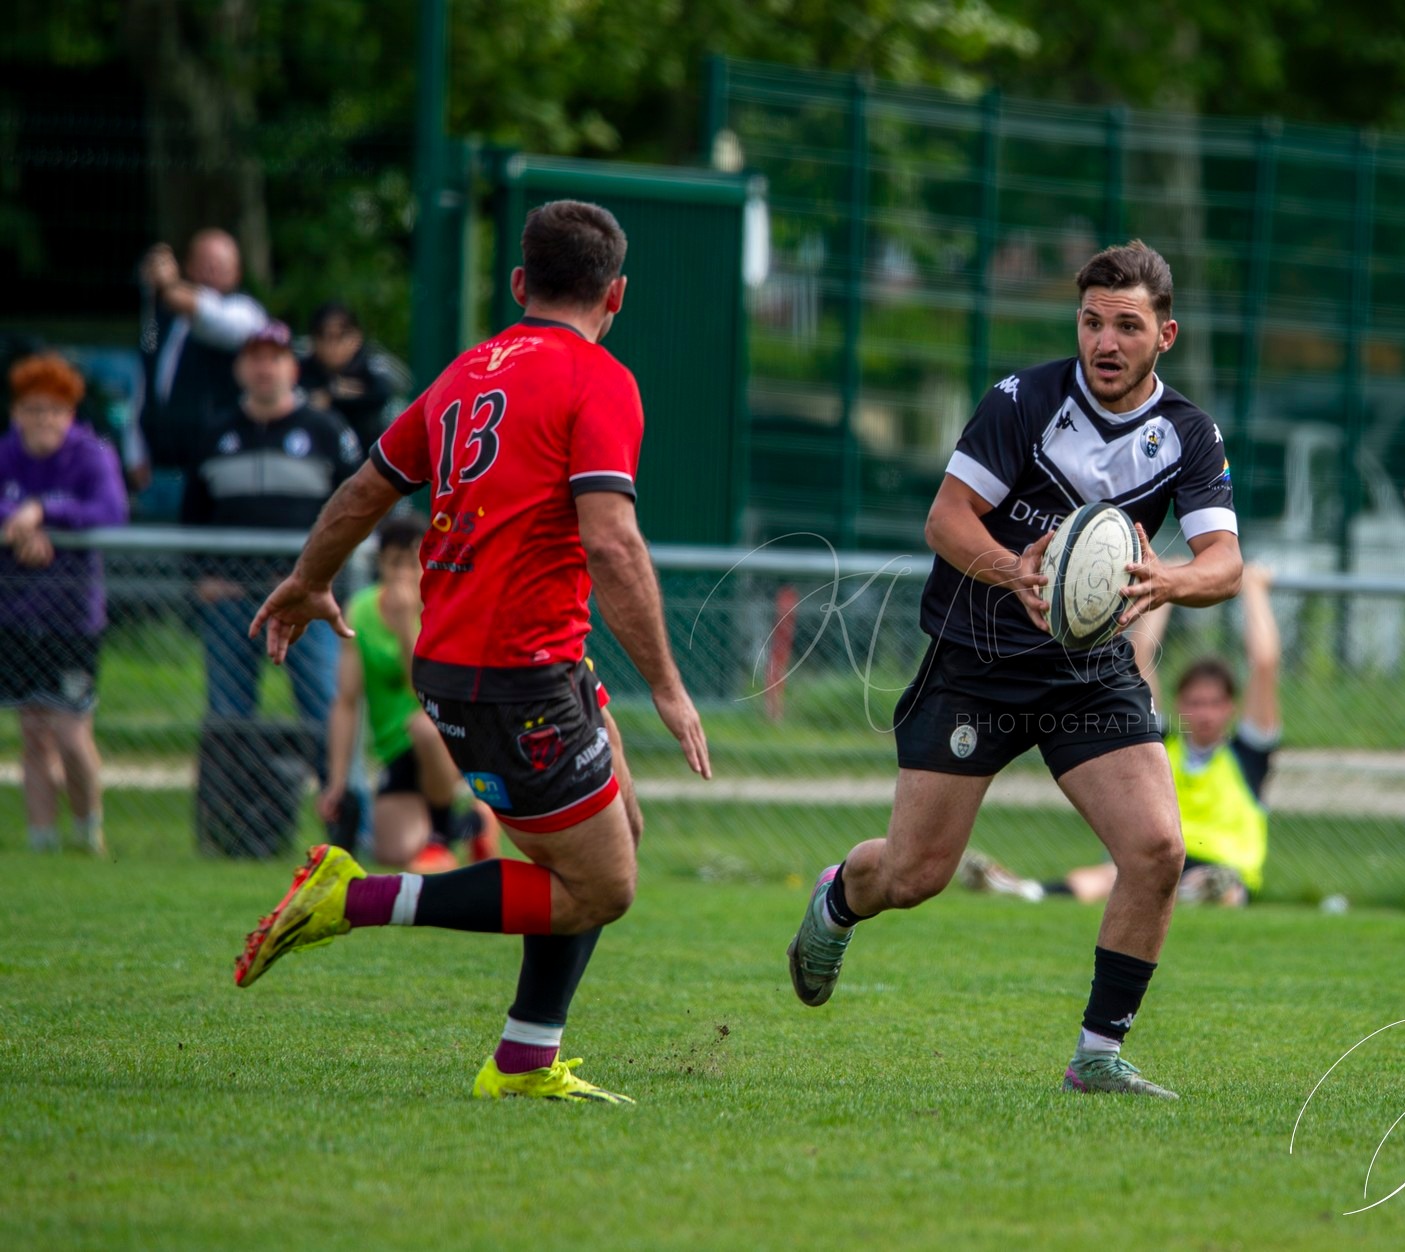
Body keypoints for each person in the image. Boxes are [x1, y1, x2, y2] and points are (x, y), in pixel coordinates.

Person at [233, 199, 712, 1107]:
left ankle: (527, 1057)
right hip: (509, 677)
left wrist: (308, 578)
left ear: (521, 284)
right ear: (617, 294)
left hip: (518, 662)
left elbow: (363, 492)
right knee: (601, 887)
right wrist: (669, 688)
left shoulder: (464, 374)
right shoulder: (599, 378)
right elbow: (613, 543)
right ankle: (353, 899)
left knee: (618, 838)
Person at [784, 240, 1242, 1099]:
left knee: (1156, 849)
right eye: (1092, 321)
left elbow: (1224, 563)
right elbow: (946, 520)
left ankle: (1098, 1056)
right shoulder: (1023, 401)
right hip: (978, 660)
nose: (1105, 342)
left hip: (1087, 670)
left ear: (1165, 335)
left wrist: (1165, 580)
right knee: (915, 875)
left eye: (1127, 326)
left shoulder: (1184, 434)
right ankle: (841, 897)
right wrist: (1017, 572)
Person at [961, 565, 1282, 907]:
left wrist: (1252, 587)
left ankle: (1196, 892)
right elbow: (1141, 655)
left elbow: (1263, 663)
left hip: (1223, 869)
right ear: (1178, 703)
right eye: (1195, 702)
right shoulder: (1163, 744)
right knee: (1112, 875)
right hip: (1161, 857)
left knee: (1219, 889)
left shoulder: (1248, 753)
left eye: (1214, 703)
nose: (1204, 713)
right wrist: (1167, 587)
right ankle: (1025, 891)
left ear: (1230, 708)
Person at [181, 320, 362, 766]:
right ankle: (236, 828)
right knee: (229, 720)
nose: (265, 368)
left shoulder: (327, 430)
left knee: (326, 712)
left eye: (275, 358)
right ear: (240, 368)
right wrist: (201, 578)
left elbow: (359, 510)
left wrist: (327, 579)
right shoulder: (213, 434)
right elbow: (191, 519)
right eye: (255, 358)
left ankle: (345, 820)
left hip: (305, 596)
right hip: (232, 599)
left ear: (292, 368)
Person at [318, 512, 501, 872]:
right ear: (381, 564)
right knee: (394, 854)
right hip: (395, 748)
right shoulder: (362, 611)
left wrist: (405, 627)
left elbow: (427, 693)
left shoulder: (441, 610)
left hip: (446, 741)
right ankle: (472, 825)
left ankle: (440, 837)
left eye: (412, 563)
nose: (402, 574)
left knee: (424, 726)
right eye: (394, 563)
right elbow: (347, 703)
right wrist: (337, 781)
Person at [0, 354, 129, 853]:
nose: (43, 420)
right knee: (33, 731)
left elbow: (110, 509)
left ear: (70, 414)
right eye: (33, 410)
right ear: (16, 413)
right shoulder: (7, 453)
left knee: (71, 732)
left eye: (54, 410)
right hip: (15, 616)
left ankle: (87, 827)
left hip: (71, 618)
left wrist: (43, 513)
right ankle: (42, 840)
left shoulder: (91, 453)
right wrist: (16, 524)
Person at [134, 229, 269, 479]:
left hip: (218, 465)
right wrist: (135, 452)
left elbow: (211, 317)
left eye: (220, 265)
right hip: (160, 469)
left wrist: (168, 285)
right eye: (204, 263)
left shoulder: (247, 313)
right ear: (189, 267)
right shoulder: (162, 319)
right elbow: (145, 381)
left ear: (237, 272)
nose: (211, 272)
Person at [299, 301, 402, 448]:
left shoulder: (370, 364)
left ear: (357, 337)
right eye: (325, 337)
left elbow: (383, 393)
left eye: (341, 336)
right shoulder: (302, 370)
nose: (333, 346)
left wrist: (334, 399)